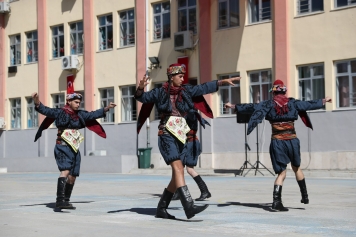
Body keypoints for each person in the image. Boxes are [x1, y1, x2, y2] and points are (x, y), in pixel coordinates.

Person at [134, 63, 240, 219]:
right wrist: (141, 88)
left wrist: (222, 82)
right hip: (166, 135)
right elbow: (141, 97)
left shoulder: (187, 91)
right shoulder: (159, 92)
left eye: (183, 76)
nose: (183, 78)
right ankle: (189, 207)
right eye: (180, 76)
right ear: (171, 77)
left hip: (180, 136)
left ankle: (161, 209)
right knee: (178, 169)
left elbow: (203, 88)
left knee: (177, 174)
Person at [225, 79, 331, 211]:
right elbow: (309, 104)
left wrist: (233, 106)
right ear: (284, 91)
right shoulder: (293, 103)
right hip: (292, 140)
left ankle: (276, 202)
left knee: (281, 173)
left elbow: (251, 107)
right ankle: (305, 196)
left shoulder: (268, 104)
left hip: (278, 141)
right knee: (296, 167)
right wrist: (324, 100)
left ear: (274, 92)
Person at [32, 92, 116, 209]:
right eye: (76, 102)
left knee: (73, 176)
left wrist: (107, 108)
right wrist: (36, 101)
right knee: (65, 171)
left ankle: (66, 200)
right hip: (62, 146)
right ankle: (59, 200)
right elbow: (45, 110)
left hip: (74, 147)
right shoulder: (60, 112)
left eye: (79, 103)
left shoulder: (80, 114)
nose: (78, 104)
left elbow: (93, 114)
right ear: (69, 102)